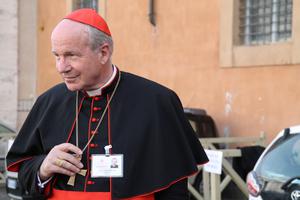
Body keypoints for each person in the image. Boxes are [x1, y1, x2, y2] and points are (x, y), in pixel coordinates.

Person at [6, 8, 208, 200]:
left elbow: (174, 188)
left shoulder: (157, 102)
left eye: (71, 55)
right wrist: (43, 168)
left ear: (103, 52)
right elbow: (25, 174)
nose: (61, 67)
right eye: (57, 56)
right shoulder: (48, 102)